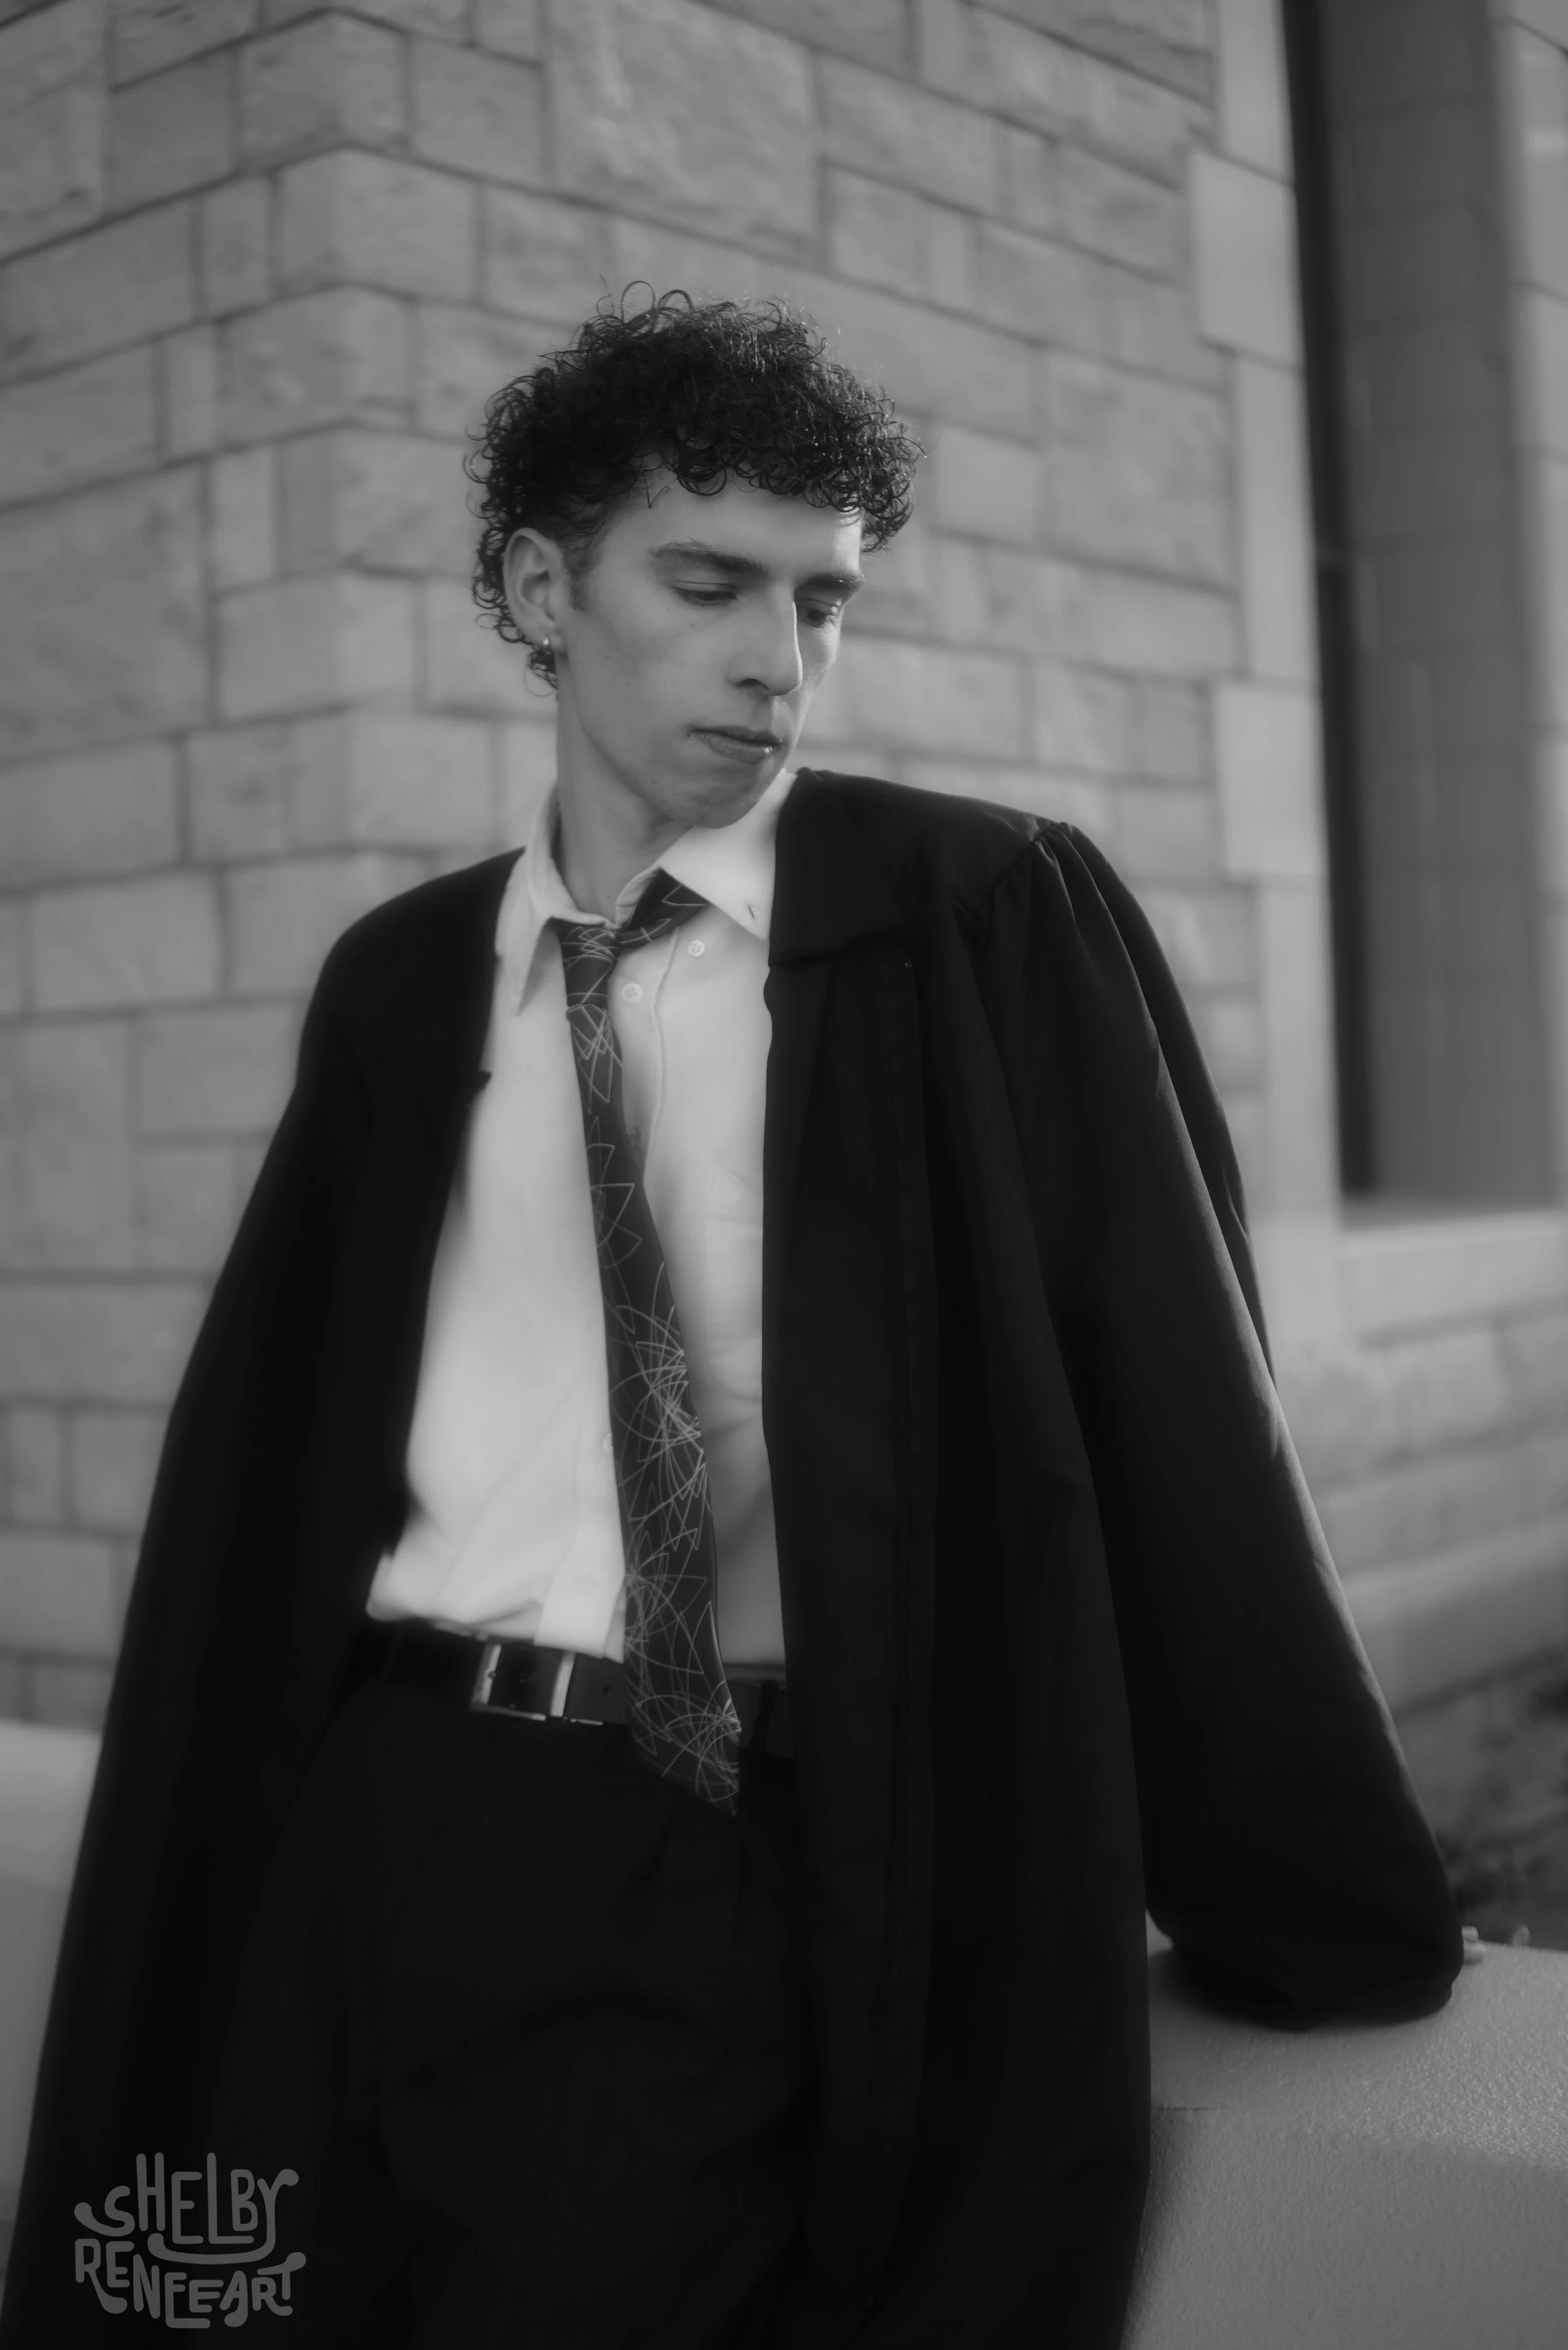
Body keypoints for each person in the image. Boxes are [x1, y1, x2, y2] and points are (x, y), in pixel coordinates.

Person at [1, 288, 1463, 2349]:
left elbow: (1172, 1414)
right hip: (380, 1807)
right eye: (706, 585)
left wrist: (1312, 1885)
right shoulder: (405, 980)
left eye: (822, 600)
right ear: (542, 587)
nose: (778, 660)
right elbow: (273, 1457)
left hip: (704, 1829)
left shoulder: (965, 920)